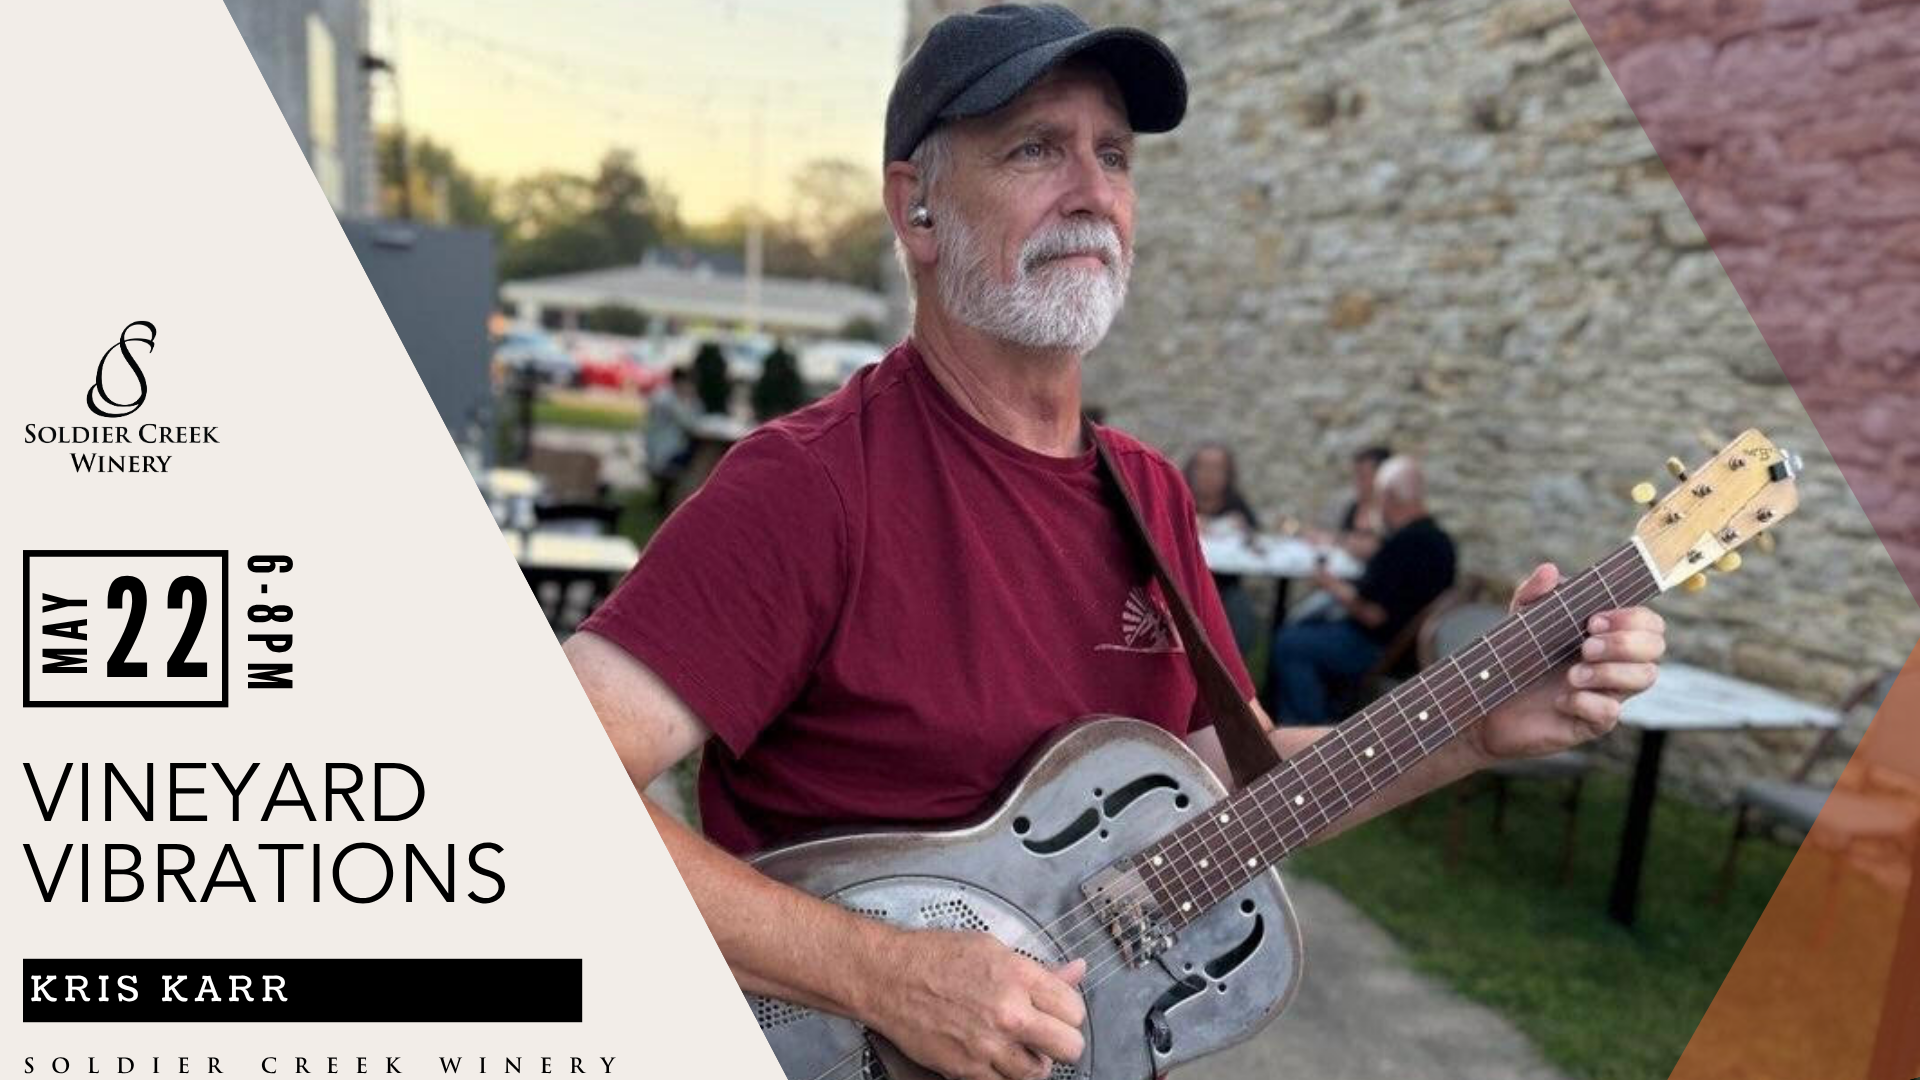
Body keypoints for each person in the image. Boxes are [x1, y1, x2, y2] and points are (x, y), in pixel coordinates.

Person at [563, 7, 1666, 1079]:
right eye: (1036, 149)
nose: (1092, 195)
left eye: (1116, 156)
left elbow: (1219, 781)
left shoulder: (1148, 494)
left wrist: (1476, 727)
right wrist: (885, 975)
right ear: (918, 211)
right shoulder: (808, 487)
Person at [1267, 456, 1456, 724]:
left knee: (1290, 642)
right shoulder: (1441, 541)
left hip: (1378, 648)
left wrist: (1330, 585)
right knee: (1307, 626)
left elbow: (1372, 614)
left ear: (1389, 496)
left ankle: (1308, 733)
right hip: (1401, 646)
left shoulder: (1404, 545)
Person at [1184, 441, 1261, 657]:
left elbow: (1257, 544)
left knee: (1241, 622)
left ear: (1228, 474)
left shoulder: (1235, 504)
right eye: (1203, 467)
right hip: (1184, 586)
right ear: (1192, 470)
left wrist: (1244, 530)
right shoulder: (1178, 498)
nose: (1209, 475)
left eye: (1217, 468)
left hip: (1225, 587)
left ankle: (1230, 680)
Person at [642, 367, 697, 510]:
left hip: (666, 449)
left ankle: (676, 497)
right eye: (689, 383)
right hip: (665, 452)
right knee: (702, 457)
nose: (691, 387)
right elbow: (689, 424)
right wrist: (687, 400)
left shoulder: (666, 396)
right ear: (681, 382)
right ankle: (682, 500)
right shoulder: (666, 400)